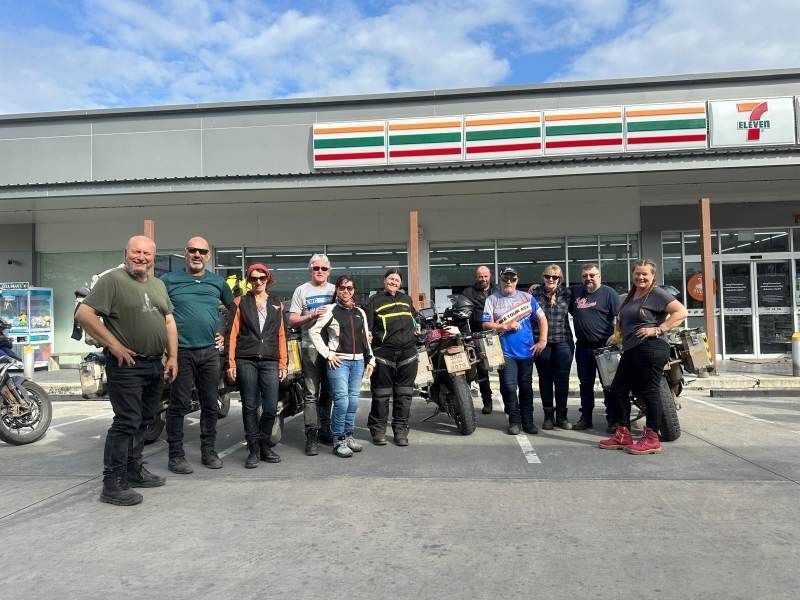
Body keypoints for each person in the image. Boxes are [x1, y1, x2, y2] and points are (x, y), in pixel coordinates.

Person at [75, 235, 178, 506]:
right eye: (136, 252)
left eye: (147, 253)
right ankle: (112, 483)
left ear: (153, 257)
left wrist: (173, 357)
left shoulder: (157, 285)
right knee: (126, 422)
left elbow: (168, 322)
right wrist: (114, 345)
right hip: (127, 366)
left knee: (145, 420)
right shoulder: (113, 281)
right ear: (126, 253)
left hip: (154, 363)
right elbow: (84, 315)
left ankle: (134, 471)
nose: (141, 257)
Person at [599, 259, 687, 455]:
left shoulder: (656, 293)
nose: (640, 277)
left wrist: (659, 329)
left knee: (649, 392)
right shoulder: (632, 295)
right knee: (617, 389)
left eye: (645, 274)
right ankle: (623, 433)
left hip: (651, 347)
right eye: (637, 273)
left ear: (653, 276)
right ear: (633, 275)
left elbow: (681, 312)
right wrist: (618, 336)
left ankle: (652, 438)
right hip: (632, 349)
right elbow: (627, 321)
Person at [161, 236, 234, 474]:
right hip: (180, 352)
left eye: (202, 251)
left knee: (210, 404)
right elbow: (156, 312)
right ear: (185, 252)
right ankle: (176, 455)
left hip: (210, 353)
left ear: (208, 255)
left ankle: (208, 451)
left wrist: (224, 332)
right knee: (179, 404)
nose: (197, 255)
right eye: (193, 250)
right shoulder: (168, 281)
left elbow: (234, 310)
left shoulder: (217, 282)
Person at [226, 263, 287, 468]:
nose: (258, 282)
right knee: (250, 407)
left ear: (268, 279)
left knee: (270, 407)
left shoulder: (277, 303)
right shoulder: (240, 302)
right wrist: (231, 362)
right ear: (248, 280)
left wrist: (283, 363)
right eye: (254, 278)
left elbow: (281, 335)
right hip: (246, 359)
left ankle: (264, 445)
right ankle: (253, 449)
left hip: (270, 360)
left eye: (262, 278)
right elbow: (232, 334)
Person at [309, 275, 375, 457]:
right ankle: (338, 439)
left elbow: (364, 338)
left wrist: (371, 359)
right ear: (337, 290)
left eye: (350, 288)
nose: (346, 291)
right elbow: (313, 331)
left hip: (358, 362)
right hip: (339, 362)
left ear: (354, 291)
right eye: (342, 288)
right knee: (342, 401)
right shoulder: (330, 310)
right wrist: (327, 353)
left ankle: (348, 435)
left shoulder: (360, 312)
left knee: (353, 401)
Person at [482, 267, 548, 435]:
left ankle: (528, 421)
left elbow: (542, 319)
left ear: (517, 280)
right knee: (510, 387)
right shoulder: (492, 299)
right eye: (505, 279)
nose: (509, 282)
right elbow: (486, 324)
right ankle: (515, 421)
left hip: (527, 352)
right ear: (501, 280)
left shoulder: (528, 298)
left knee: (526, 387)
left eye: (512, 279)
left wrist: (542, 340)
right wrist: (504, 326)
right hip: (505, 352)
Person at [365, 268, 418, 446]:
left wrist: (418, 328)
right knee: (381, 395)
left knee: (404, 395)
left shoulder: (406, 299)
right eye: (390, 279)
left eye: (397, 279)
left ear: (400, 283)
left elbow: (415, 320)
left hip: (408, 355)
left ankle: (400, 430)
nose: (393, 282)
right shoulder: (374, 301)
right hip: (383, 355)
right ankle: (378, 430)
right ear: (384, 281)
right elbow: (368, 330)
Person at [289, 254, 336, 456]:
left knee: (329, 392)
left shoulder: (336, 290)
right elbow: (292, 320)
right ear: (310, 270)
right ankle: (311, 435)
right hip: (310, 349)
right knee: (311, 394)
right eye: (316, 268)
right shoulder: (301, 290)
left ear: (329, 271)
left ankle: (325, 429)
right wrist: (312, 315)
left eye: (324, 269)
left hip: (333, 349)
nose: (320, 271)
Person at [569, 264, 621, 432]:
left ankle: (613, 420)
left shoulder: (609, 293)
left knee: (610, 384)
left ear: (599, 276)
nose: (588, 278)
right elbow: (555, 290)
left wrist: (618, 334)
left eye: (592, 275)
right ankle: (586, 418)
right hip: (583, 347)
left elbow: (621, 316)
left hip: (605, 348)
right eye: (585, 275)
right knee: (585, 385)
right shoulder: (576, 292)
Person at [530, 264, 574, 430]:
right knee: (545, 379)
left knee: (562, 381)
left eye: (554, 277)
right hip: (542, 342)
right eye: (548, 276)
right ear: (543, 277)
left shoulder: (568, 293)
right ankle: (548, 416)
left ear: (559, 279)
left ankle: (562, 416)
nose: (550, 279)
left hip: (563, 342)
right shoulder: (534, 293)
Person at [460, 265, 495, 414]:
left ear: (490, 276)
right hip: (477, 335)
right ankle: (487, 402)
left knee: (504, 371)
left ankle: (509, 403)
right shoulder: (468, 292)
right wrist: (468, 337)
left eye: (485, 276)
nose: (483, 279)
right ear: (476, 277)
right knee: (482, 372)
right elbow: (461, 317)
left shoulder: (498, 291)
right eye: (480, 276)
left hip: (499, 334)